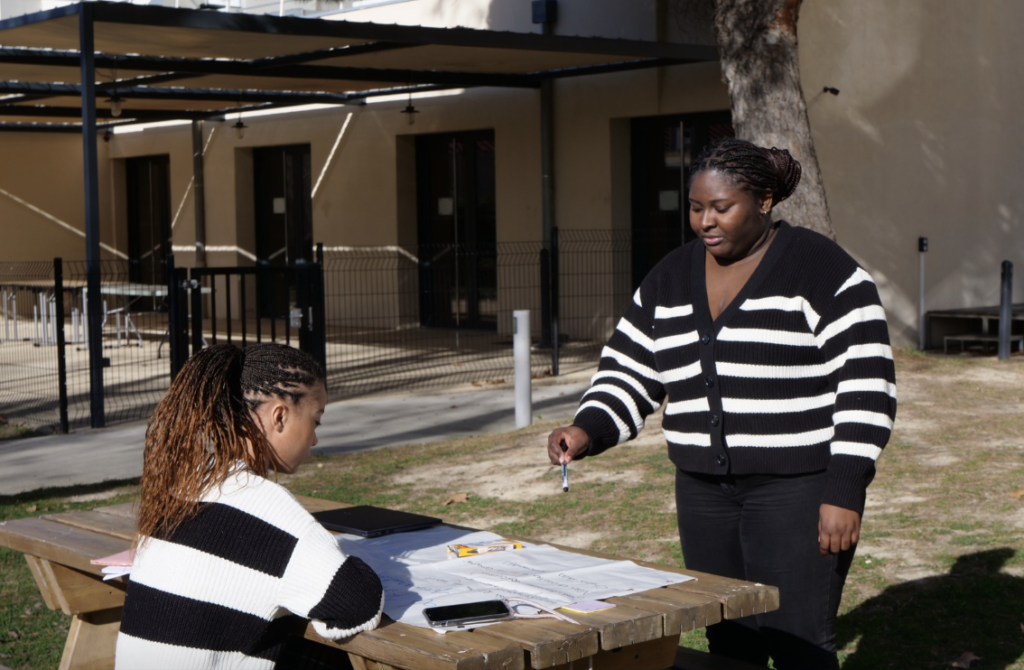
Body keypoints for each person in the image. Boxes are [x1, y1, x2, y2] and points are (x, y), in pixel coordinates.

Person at [546, 138, 896, 669]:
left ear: (763, 201)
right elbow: (631, 367)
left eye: (721, 207)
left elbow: (866, 384)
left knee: (798, 640)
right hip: (704, 494)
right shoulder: (669, 277)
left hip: (798, 491)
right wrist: (588, 428)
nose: (705, 221)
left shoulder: (821, 268)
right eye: (695, 207)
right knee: (728, 637)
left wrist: (844, 489)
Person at [116, 343, 384, 669]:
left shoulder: (187, 489)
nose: (315, 439)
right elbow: (359, 604)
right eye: (316, 421)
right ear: (280, 416)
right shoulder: (268, 509)